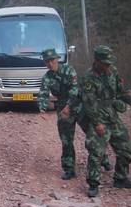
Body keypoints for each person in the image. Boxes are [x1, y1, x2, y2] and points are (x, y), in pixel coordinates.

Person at [37, 48, 111, 180]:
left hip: (79, 106)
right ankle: (69, 169)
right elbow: (43, 92)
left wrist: (69, 105)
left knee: (93, 135)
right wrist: (42, 108)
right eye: (47, 61)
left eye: (52, 60)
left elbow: (75, 89)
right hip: (63, 109)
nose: (49, 64)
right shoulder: (47, 77)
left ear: (57, 60)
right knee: (66, 140)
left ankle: (103, 158)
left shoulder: (68, 70)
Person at [82, 45, 131, 198]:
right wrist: (97, 123)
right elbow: (88, 103)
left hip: (112, 115)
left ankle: (121, 178)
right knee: (96, 151)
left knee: (126, 147)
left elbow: (121, 90)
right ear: (97, 61)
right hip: (98, 117)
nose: (108, 65)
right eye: (105, 63)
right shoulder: (88, 78)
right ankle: (93, 184)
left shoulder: (113, 71)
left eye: (109, 63)